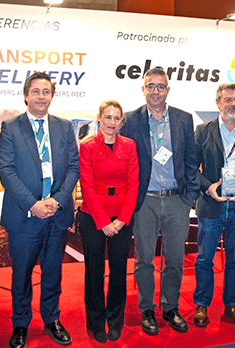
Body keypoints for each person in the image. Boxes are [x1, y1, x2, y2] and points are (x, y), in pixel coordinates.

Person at [0, 72, 79, 348]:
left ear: (52, 96)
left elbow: (73, 168)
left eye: (46, 91)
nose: (41, 96)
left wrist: (57, 201)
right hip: (25, 216)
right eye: (35, 91)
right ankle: (20, 324)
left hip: (56, 215)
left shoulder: (64, 126)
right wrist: (33, 204)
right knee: (21, 274)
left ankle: (51, 319)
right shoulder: (10, 127)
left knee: (53, 272)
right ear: (25, 95)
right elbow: (6, 171)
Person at [120, 67, 200, 335]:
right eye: (150, 86)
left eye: (160, 86)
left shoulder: (183, 119)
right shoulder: (130, 120)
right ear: (143, 89)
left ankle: (170, 307)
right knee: (144, 260)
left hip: (177, 200)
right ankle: (146, 309)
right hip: (145, 202)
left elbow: (191, 160)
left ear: (168, 89)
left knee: (175, 259)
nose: (155, 91)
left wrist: (189, 196)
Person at [192, 83, 235, 328]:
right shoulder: (202, 131)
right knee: (204, 258)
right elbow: (192, 169)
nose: (233, 104)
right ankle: (202, 304)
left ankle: (231, 304)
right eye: (228, 99)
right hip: (212, 205)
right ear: (218, 103)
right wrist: (208, 186)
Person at [79, 100, 139, 343]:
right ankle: (96, 321)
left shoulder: (130, 145)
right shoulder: (87, 146)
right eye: (107, 117)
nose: (112, 122)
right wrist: (104, 221)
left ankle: (115, 319)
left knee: (118, 270)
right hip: (93, 216)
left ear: (121, 120)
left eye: (116, 118)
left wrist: (122, 219)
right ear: (99, 118)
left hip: (122, 217)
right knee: (93, 270)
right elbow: (87, 186)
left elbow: (134, 184)